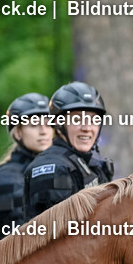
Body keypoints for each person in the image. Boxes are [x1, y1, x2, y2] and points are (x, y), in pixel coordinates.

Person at [22, 81, 114, 221]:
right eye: (77, 119)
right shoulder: (53, 169)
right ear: (59, 124)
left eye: (93, 120)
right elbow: (59, 232)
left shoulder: (89, 164)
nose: (87, 128)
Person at [0, 93, 53, 244]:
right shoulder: (5, 178)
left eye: (49, 124)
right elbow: (22, 241)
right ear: (18, 132)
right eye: (34, 124)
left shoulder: (51, 169)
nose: (43, 131)